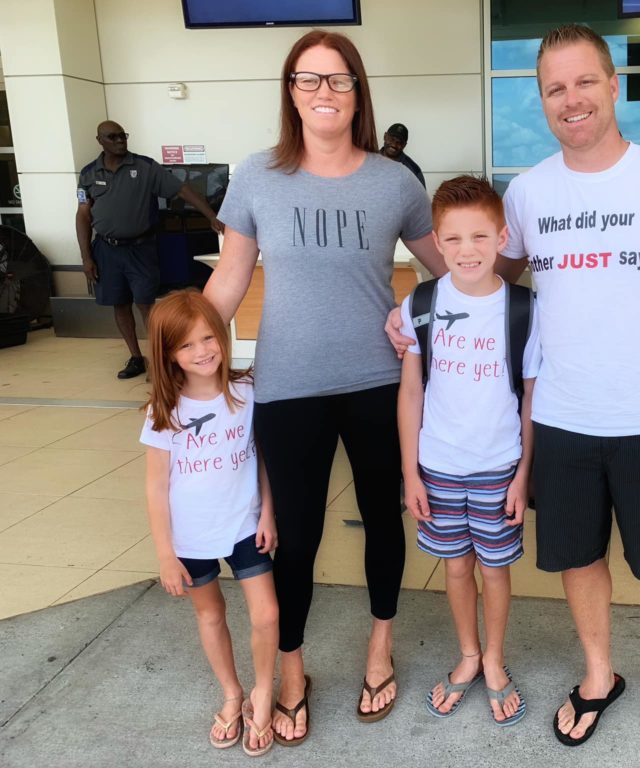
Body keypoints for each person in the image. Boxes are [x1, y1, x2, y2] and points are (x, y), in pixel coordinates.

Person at [204, 29, 449, 743]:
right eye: (309, 80)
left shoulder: (395, 182)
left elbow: (449, 273)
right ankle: (291, 666)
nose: (324, 93)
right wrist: (179, 346)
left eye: (338, 80)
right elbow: (229, 279)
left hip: (379, 382)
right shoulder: (256, 176)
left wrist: (435, 319)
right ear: (291, 93)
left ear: (358, 92)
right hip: (287, 386)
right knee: (296, 536)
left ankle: (380, 646)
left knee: (383, 517)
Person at [490, 23, 640, 754]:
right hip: (561, 419)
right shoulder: (526, 194)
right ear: (542, 101)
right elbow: (486, 283)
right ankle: (599, 675)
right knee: (579, 556)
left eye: (585, 81)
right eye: (555, 88)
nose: (572, 99)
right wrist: (418, 316)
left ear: (613, 85)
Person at [397, 175, 539, 725]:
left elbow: (530, 398)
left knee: (496, 570)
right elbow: (412, 390)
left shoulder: (523, 309)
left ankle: (497, 659)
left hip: (498, 466)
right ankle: (469, 655)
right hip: (437, 467)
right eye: (453, 240)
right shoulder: (422, 302)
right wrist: (410, 473)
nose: (467, 251)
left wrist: (523, 473)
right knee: (456, 568)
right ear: (435, 240)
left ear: (502, 237)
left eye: (480, 237)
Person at [141, 289, 278, 757]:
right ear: (168, 355)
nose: (201, 351)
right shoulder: (163, 414)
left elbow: (263, 459)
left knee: (267, 614)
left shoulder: (248, 391)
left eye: (207, 338)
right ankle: (231, 693)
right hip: (191, 538)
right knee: (210, 613)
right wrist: (165, 554)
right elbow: (156, 488)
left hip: (245, 526)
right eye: (185, 345)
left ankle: (262, 690)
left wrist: (269, 511)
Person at [76, 121, 224, 379]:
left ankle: (160, 361)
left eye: (123, 136)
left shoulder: (144, 167)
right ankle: (136, 357)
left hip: (140, 249)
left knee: (147, 305)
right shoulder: (89, 174)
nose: (120, 141)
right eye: (113, 137)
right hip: (106, 250)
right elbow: (82, 216)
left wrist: (211, 216)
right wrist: (86, 257)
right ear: (100, 140)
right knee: (119, 304)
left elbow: (183, 190)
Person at [380, 122, 426, 187]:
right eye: (391, 139)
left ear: (404, 145)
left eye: (399, 142)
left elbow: (421, 196)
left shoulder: (413, 170)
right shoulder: (369, 161)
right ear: (385, 136)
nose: (394, 145)